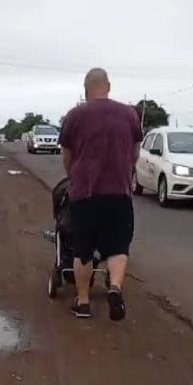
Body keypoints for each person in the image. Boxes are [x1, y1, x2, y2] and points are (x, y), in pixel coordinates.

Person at [58, 68, 144, 321]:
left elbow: (68, 157)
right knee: (118, 246)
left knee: (83, 249)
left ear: (85, 90)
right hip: (119, 193)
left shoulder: (75, 115)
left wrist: (73, 176)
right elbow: (135, 153)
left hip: (84, 193)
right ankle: (115, 287)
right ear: (109, 86)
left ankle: (83, 302)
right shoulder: (129, 114)